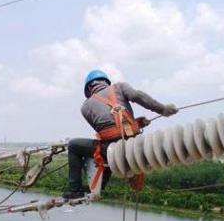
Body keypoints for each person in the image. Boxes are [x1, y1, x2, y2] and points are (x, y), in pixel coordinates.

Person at [63, 70, 178, 199]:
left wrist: (135, 124)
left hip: (111, 149)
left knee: (76, 146)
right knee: (110, 149)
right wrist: (162, 109)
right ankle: (111, 179)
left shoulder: (85, 107)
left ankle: (75, 190)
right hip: (134, 144)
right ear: (106, 82)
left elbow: (108, 130)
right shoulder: (120, 87)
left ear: (89, 88)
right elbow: (137, 96)